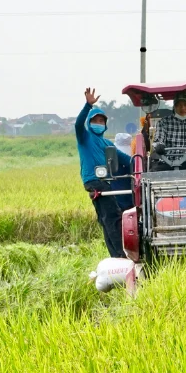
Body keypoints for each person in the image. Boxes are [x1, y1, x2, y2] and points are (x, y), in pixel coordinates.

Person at [76, 87, 125, 258]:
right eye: (95, 121)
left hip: (103, 182)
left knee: (106, 220)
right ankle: (122, 254)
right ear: (89, 123)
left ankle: (115, 255)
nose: (98, 123)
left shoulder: (106, 143)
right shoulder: (85, 138)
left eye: (101, 121)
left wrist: (142, 162)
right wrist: (88, 106)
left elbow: (125, 158)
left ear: (105, 124)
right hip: (95, 181)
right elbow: (77, 124)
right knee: (114, 216)